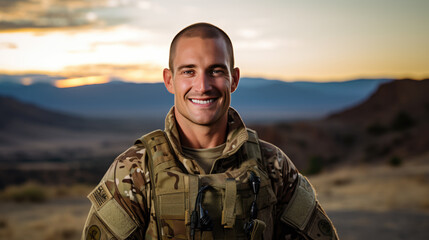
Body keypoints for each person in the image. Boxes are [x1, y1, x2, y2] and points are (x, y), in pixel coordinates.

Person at [82, 22, 338, 240]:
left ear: (234, 79)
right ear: (169, 80)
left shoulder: (273, 165)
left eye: (215, 71)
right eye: (189, 71)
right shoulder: (135, 169)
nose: (202, 86)